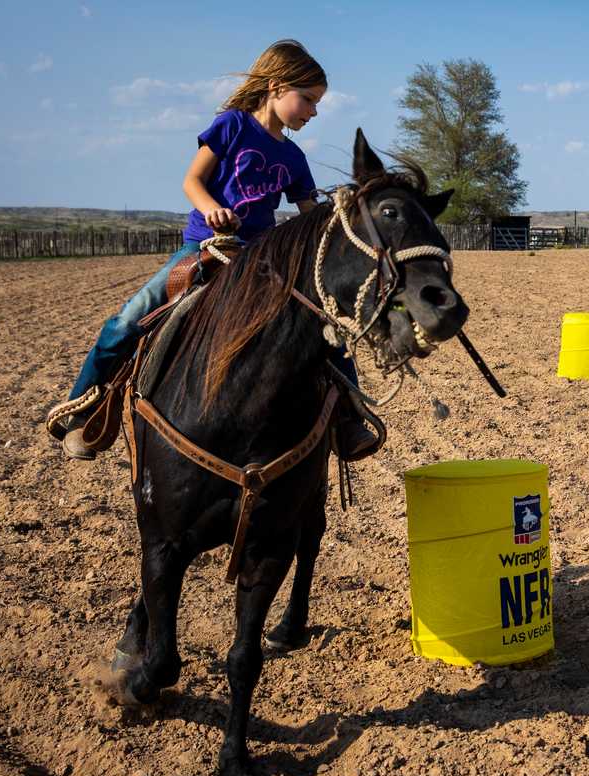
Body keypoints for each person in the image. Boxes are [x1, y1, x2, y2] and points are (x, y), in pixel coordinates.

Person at [52, 39, 374, 461]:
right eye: (308, 100)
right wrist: (214, 210)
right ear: (276, 87)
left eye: (317, 104)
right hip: (204, 246)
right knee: (129, 318)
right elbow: (191, 182)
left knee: (325, 327)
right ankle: (84, 408)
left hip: (260, 260)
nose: (313, 112)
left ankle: (349, 421)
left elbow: (309, 212)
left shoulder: (294, 157)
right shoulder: (232, 127)